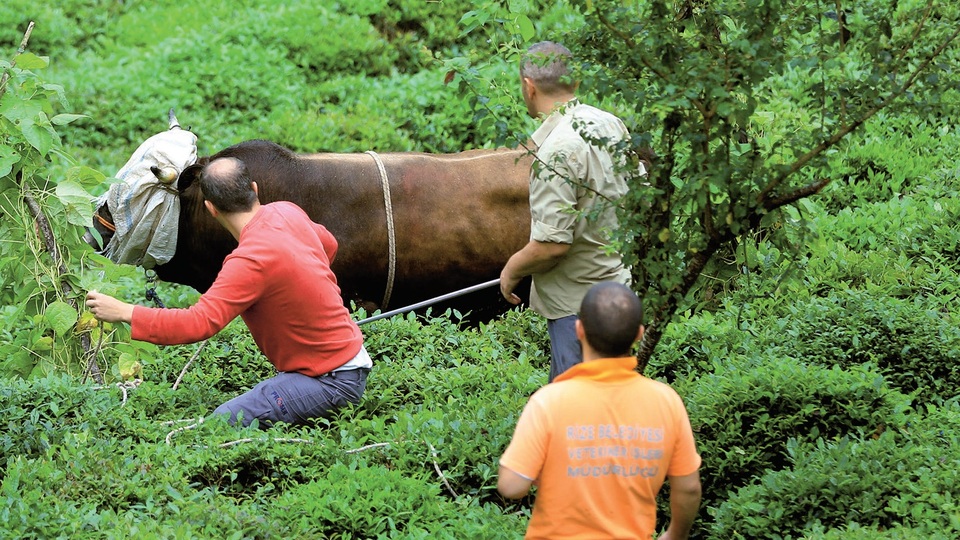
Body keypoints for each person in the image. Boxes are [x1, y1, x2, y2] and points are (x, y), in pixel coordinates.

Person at [85, 157, 372, 428]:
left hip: (333, 381)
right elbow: (329, 245)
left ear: (211, 209)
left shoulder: (249, 262)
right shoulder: (286, 211)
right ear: (254, 189)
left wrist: (124, 312)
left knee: (222, 421)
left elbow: (198, 323)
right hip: (347, 359)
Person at [498, 282, 701, 540]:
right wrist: (675, 535)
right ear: (639, 334)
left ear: (579, 330)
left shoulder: (549, 401)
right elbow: (690, 488)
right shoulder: (667, 401)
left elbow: (511, 485)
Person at [499, 41, 636, 382]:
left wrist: (511, 270)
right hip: (619, 296)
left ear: (528, 87)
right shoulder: (610, 125)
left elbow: (552, 246)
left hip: (576, 309)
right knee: (614, 394)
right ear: (575, 83)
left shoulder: (554, 153)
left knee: (577, 403)